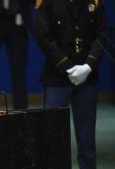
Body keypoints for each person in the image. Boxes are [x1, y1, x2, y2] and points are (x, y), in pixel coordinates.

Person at [35, 0, 108, 169]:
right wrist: (67, 67)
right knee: (51, 138)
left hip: (87, 76)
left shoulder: (95, 1)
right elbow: (43, 35)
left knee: (87, 141)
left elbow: (102, 34)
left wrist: (89, 65)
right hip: (56, 76)